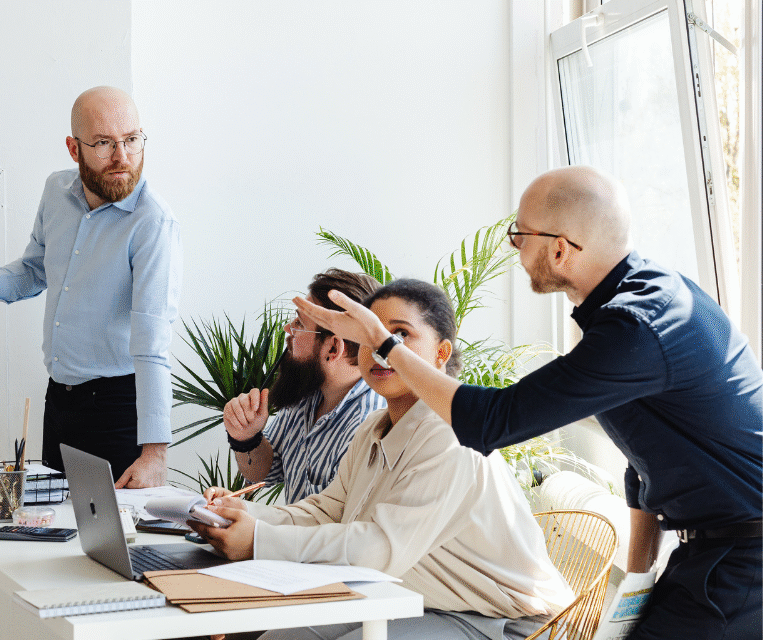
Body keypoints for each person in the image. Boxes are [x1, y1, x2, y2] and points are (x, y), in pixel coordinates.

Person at [295, 166, 763, 639]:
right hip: (709, 553)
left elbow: (491, 422)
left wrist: (383, 343)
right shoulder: (642, 303)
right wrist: (637, 584)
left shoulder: (635, 326)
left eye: (520, 235)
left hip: (744, 557)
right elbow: (644, 459)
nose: (514, 248)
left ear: (560, 249)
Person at [194, 279, 574, 640]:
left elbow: (378, 550)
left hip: (505, 621)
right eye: (370, 337)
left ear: (441, 353)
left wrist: (258, 539)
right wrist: (241, 514)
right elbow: (327, 511)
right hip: (410, 598)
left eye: (399, 335)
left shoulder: (451, 436)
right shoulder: (373, 427)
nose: (380, 349)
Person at [0, 86, 181, 489]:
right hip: (60, 402)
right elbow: (34, 270)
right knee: (53, 522)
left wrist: (155, 454)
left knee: (114, 529)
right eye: (104, 143)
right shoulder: (57, 192)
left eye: (132, 140)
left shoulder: (152, 222)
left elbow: (152, 343)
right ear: (74, 148)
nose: (122, 157)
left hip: (119, 409)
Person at [224, 269, 385, 503]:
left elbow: (334, 523)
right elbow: (266, 472)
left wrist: (247, 518)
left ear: (333, 348)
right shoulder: (308, 391)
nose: (288, 329)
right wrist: (247, 438)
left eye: (299, 323)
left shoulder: (367, 426)